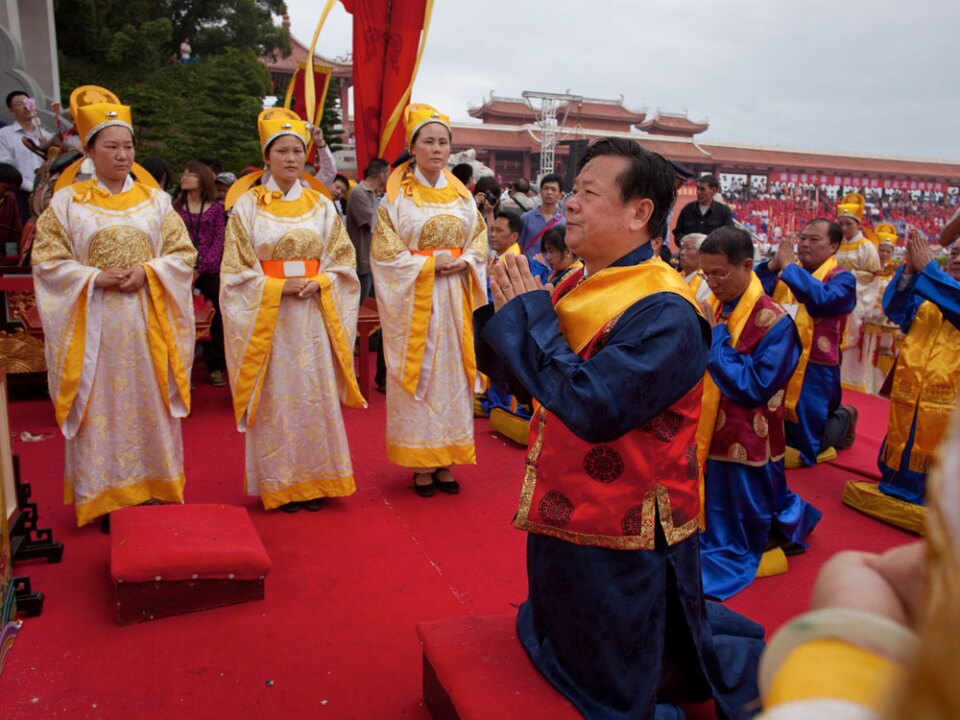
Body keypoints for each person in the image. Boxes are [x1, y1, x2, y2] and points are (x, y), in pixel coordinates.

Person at [475, 137, 762, 719]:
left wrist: (528, 319)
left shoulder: (667, 311)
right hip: (564, 502)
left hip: (625, 523)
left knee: (619, 673)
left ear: (639, 213)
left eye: (587, 193)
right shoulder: (581, 280)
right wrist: (503, 317)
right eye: (572, 192)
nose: (570, 206)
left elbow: (593, 406)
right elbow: (530, 379)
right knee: (557, 632)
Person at [31, 85, 196, 530]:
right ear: (89, 150)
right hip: (95, 322)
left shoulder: (156, 201)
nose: (122, 156)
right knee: (100, 405)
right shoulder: (67, 203)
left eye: (128, 146)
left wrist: (148, 272)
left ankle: (152, 487)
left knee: (150, 401)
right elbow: (46, 262)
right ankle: (105, 494)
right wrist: (91, 277)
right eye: (111, 147)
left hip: (146, 319)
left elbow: (182, 254)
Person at [219, 108, 364, 512]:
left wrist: (320, 282)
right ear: (266, 157)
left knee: (313, 396)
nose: (290, 159)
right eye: (281, 151)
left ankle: (317, 479)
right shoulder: (247, 207)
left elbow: (343, 262)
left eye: (297, 151)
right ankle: (281, 482)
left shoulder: (321, 206)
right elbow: (234, 273)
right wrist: (276, 287)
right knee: (277, 396)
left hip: (313, 312)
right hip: (271, 317)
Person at [696, 227, 821, 600]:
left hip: (748, 438)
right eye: (707, 274)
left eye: (720, 273)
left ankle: (781, 528)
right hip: (709, 430)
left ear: (747, 266)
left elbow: (752, 387)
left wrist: (715, 340)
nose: (712, 282)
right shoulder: (718, 305)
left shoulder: (777, 323)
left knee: (734, 536)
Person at [370, 103, 488, 498]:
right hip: (417, 300)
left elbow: (479, 241)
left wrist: (467, 261)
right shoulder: (395, 199)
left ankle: (447, 459)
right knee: (421, 376)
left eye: (443, 142)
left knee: (452, 377)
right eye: (429, 142)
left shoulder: (462, 197)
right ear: (413, 146)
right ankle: (420, 464)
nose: (437, 149)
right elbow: (385, 255)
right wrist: (427, 266)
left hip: (455, 296)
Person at [756, 219, 858, 468]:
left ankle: (844, 417)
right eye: (802, 238)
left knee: (805, 445)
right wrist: (772, 264)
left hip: (815, 370)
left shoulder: (843, 279)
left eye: (814, 239)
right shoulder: (786, 272)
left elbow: (821, 300)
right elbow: (753, 289)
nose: (804, 244)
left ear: (833, 246)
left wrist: (789, 268)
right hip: (778, 361)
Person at [874, 235, 960, 508]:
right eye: (954, 254)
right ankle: (899, 481)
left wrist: (930, 271)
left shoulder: (940, 288)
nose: (957, 260)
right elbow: (897, 311)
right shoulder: (932, 294)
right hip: (914, 391)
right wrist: (909, 273)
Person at [174, 161, 227, 386]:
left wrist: (201, 267)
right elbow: (172, 238)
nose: (184, 177)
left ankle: (215, 367)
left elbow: (219, 241)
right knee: (182, 319)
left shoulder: (215, 209)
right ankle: (183, 370)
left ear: (203, 179)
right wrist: (186, 266)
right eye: (184, 173)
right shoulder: (175, 207)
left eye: (191, 174)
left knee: (215, 319)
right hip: (180, 270)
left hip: (210, 271)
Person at [835, 193, 882, 392]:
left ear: (858, 224)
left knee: (853, 349)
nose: (844, 228)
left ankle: (852, 383)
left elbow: (872, 277)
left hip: (857, 301)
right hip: (837, 298)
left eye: (848, 224)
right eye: (842, 224)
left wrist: (847, 278)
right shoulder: (837, 245)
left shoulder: (867, 247)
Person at [860, 223, 902, 394]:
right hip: (869, 318)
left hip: (887, 323)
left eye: (887, 251)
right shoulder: (869, 271)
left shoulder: (897, 274)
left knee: (884, 357)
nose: (884, 254)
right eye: (881, 250)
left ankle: (880, 390)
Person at [0, 91, 49, 223]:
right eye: (19, 104)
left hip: (46, 195)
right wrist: (31, 187)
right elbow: (6, 166)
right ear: (11, 110)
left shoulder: (45, 135)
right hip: (21, 194)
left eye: (28, 102)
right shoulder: (5, 134)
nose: (26, 107)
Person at [346, 157, 389, 303]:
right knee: (362, 306)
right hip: (362, 261)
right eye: (388, 173)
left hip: (374, 260)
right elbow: (374, 224)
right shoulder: (359, 192)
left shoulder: (375, 194)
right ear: (381, 175)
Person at [518, 173, 565, 261]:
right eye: (546, 188)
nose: (549, 192)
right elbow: (519, 245)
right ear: (540, 191)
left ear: (560, 194)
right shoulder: (526, 218)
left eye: (553, 189)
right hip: (529, 270)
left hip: (552, 272)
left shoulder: (563, 223)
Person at [673, 173, 734, 240]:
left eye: (702, 189)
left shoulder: (724, 211)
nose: (698, 192)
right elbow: (678, 234)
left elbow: (729, 236)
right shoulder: (687, 209)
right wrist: (685, 241)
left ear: (714, 190)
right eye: (697, 188)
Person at [678, 232, 718, 308]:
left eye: (688, 248)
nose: (682, 253)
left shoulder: (707, 281)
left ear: (701, 253)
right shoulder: (675, 276)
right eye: (682, 248)